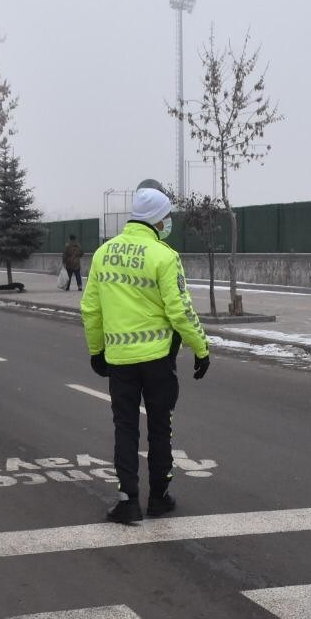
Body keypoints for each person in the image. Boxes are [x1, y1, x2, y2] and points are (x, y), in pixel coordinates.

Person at [81, 186, 210, 524]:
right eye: (167, 216)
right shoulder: (164, 256)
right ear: (158, 219)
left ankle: (127, 500)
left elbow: (90, 309)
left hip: (120, 361)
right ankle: (158, 497)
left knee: (125, 427)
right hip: (158, 361)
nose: (169, 222)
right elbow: (180, 310)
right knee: (159, 427)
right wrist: (200, 348)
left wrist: (97, 351)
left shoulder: (103, 254)